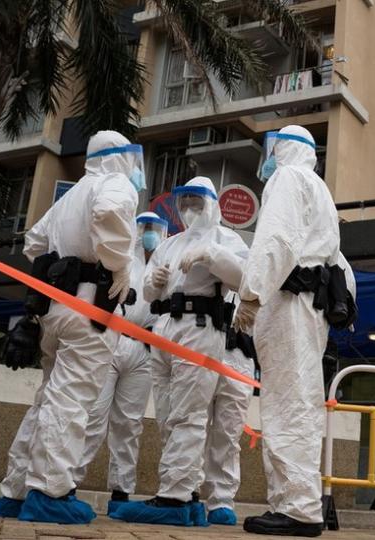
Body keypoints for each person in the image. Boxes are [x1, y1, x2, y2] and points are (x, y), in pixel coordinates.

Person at [0, 131, 144, 524]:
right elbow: (109, 213)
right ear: (120, 157)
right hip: (90, 308)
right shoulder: (114, 183)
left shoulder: (70, 196)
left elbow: (34, 244)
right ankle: (51, 491)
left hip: (56, 308)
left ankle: (16, 491)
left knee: (47, 399)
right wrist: (120, 262)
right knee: (70, 401)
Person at [233, 125, 354, 537]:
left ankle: (298, 509)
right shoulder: (318, 187)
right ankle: (295, 504)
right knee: (298, 399)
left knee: (288, 402)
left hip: (289, 304)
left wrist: (250, 295)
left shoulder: (288, 178)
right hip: (309, 307)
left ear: (283, 148)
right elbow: (338, 262)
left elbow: (276, 240)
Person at [111, 176, 249, 527]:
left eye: (196, 202)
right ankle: (182, 490)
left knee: (190, 414)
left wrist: (212, 255)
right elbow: (146, 293)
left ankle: (175, 495)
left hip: (200, 328)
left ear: (212, 204)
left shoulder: (227, 239)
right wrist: (152, 284)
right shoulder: (170, 244)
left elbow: (246, 279)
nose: (190, 209)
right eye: (184, 202)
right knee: (169, 415)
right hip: (164, 331)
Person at [71, 212, 167, 515]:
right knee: (94, 416)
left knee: (129, 423)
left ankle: (121, 492)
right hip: (111, 340)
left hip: (144, 349)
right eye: (144, 228)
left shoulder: (164, 265)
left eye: (155, 229)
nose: (149, 234)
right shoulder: (123, 258)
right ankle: (69, 484)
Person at [201, 293, 256, 526]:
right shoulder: (211, 258)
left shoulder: (261, 263)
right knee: (193, 426)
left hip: (240, 355)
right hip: (202, 347)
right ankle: (186, 493)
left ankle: (222, 500)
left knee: (229, 434)